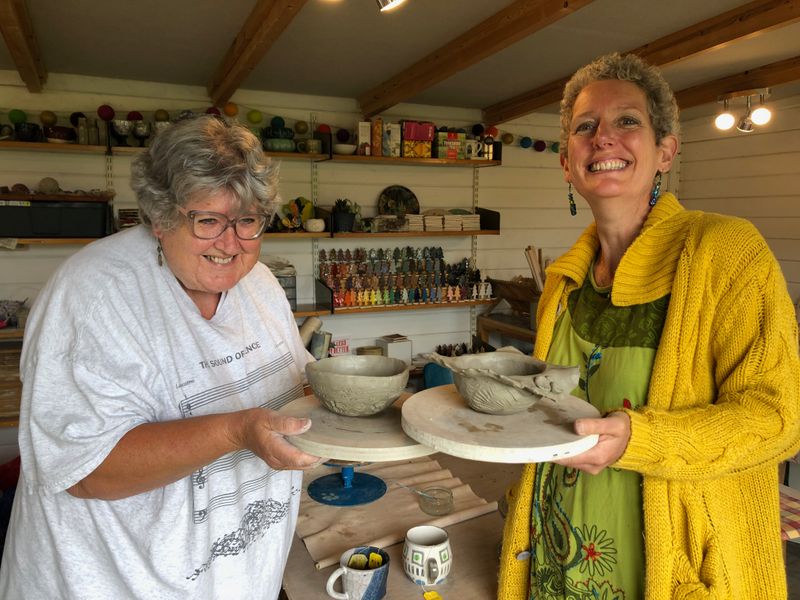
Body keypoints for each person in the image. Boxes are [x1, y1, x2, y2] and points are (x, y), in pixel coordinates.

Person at [497, 53, 800, 599]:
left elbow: (775, 419)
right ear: (566, 163)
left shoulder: (726, 251)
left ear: (665, 151)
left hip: (672, 566)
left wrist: (640, 439)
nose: (603, 138)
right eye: (585, 127)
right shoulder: (564, 282)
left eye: (627, 121)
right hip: (558, 556)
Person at [0, 115, 321, 599]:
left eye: (248, 221)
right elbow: (84, 471)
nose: (231, 244)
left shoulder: (261, 284)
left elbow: (296, 384)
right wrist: (234, 432)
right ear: (158, 216)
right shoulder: (95, 296)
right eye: (208, 220)